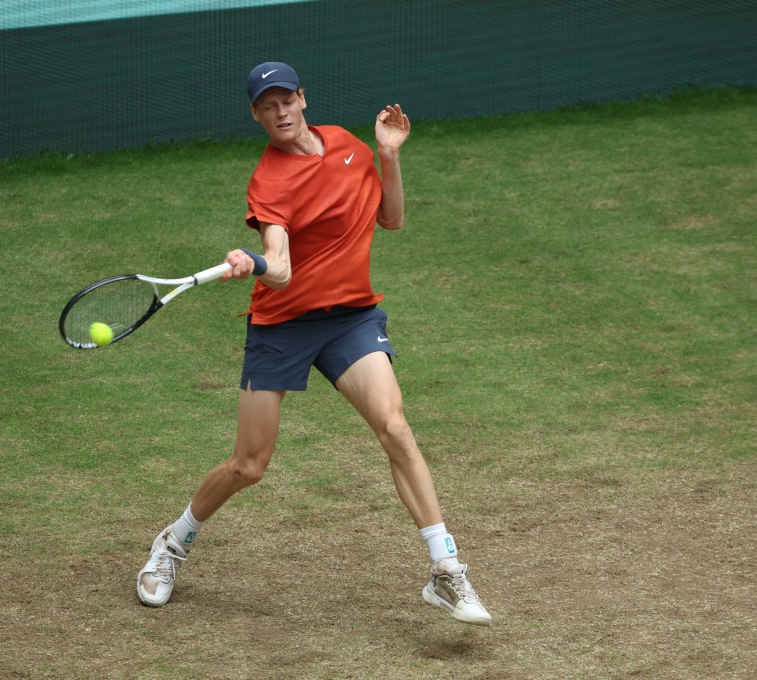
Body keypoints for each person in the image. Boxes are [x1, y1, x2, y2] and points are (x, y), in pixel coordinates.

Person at [136, 62, 491, 625]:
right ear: (255, 114)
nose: (279, 113)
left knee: (395, 427)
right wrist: (251, 261)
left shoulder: (349, 146)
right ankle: (173, 543)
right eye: (266, 106)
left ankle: (446, 571)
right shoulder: (268, 181)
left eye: (286, 101)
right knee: (250, 465)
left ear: (303, 99)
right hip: (283, 325)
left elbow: (392, 220)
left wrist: (389, 154)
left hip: (350, 317)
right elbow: (278, 269)